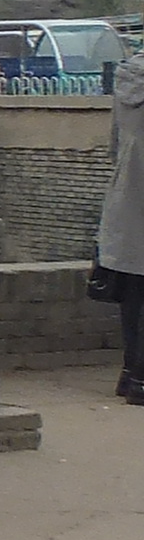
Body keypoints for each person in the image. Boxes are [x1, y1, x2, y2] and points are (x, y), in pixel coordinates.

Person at [105, 43, 144, 406]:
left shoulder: (127, 76)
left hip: (128, 199)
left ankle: (132, 373)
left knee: (133, 293)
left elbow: (114, 144)